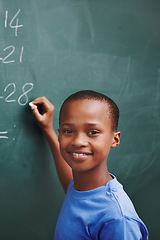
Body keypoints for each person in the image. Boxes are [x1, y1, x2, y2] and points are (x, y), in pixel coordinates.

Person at [29, 90, 148, 239]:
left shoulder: (117, 219)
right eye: (68, 131)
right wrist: (48, 129)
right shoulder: (82, 188)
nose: (78, 141)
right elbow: (73, 187)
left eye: (93, 132)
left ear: (115, 139)